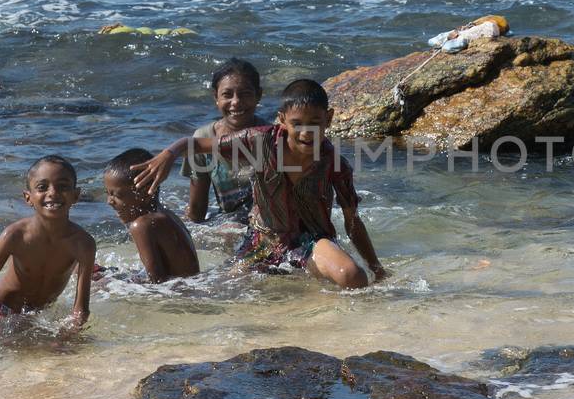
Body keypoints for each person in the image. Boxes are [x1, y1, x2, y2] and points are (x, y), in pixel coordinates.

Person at [133, 78, 386, 289]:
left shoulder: (335, 164)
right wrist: (168, 155)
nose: (306, 132)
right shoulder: (259, 142)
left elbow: (352, 221)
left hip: (311, 241)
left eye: (315, 123)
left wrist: (376, 268)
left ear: (328, 119)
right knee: (211, 291)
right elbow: (198, 144)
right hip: (262, 241)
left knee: (353, 276)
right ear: (282, 120)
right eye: (297, 124)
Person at [0, 156, 95, 338]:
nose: (53, 192)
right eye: (42, 187)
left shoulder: (83, 244)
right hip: (0, 312)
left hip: (39, 316)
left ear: (76, 195)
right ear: (28, 197)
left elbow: (81, 309)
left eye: (63, 186)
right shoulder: (14, 236)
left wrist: (68, 335)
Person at [102, 148, 201, 282]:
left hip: (183, 293)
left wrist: (113, 284)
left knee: (101, 284)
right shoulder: (165, 214)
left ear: (145, 192)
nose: (109, 201)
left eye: (117, 195)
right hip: (190, 285)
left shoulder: (142, 225)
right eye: (108, 193)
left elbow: (157, 281)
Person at [184, 58, 263, 223]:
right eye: (227, 94)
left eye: (245, 94)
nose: (236, 102)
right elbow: (197, 208)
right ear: (216, 97)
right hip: (229, 223)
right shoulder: (202, 138)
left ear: (259, 96)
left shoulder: (271, 136)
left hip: (267, 222)